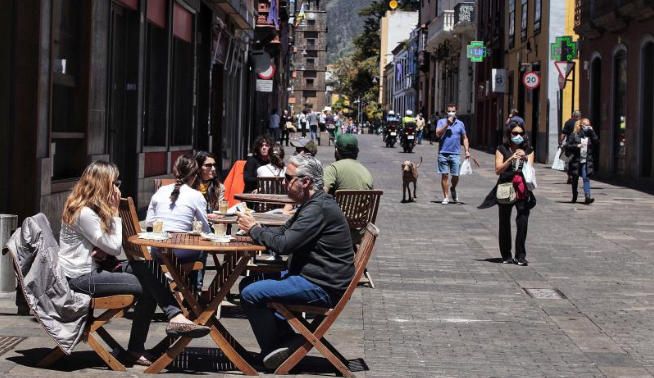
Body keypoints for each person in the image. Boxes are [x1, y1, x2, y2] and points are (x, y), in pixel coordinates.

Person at [60, 161, 209, 367]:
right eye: (114, 182)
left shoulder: (89, 208)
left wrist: (101, 245)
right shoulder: (84, 212)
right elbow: (113, 247)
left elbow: (106, 245)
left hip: (95, 268)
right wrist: (114, 212)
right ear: (101, 184)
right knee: (147, 286)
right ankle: (140, 345)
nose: (117, 187)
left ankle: (172, 318)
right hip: (80, 278)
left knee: (149, 267)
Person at [237, 154, 354, 370]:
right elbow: (283, 233)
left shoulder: (317, 208)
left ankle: (274, 349)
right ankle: (286, 343)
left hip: (321, 285)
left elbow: (283, 245)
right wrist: (255, 230)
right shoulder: (311, 204)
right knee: (247, 284)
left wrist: (255, 229)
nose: (283, 182)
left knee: (250, 293)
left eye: (288, 178)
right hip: (312, 276)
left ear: (306, 181)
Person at [479, 121, 536, 266]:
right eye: (515, 133)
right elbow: (498, 170)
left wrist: (524, 158)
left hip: (522, 188)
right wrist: (510, 159)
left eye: (521, 133)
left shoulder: (529, 150)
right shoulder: (501, 149)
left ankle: (520, 256)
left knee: (522, 221)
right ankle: (506, 255)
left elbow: (529, 171)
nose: (518, 136)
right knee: (504, 222)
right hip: (505, 187)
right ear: (509, 135)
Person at [435, 104, 470, 204]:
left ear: (456, 112)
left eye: (453, 111)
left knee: (455, 175)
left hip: (455, 153)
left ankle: (453, 188)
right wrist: (447, 125)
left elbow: (465, 138)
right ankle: (446, 197)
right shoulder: (441, 122)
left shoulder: (460, 124)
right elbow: (437, 134)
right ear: (446, 112)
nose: (451, 113)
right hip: (443, 153)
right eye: (449, 111)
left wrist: (467, 151)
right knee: (444, 175)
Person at [565, 118, 599, 204]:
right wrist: (577, 146)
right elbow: (568, 145)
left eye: (588, 125)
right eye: (585, 125)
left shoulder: (590, 135)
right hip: (576, 160)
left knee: (586, 178)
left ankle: (587, 196)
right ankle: (574, 195)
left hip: (586, 160)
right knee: (575, 179)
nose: (587, 127)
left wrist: (592, 131)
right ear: (581, 125)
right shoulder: (574, 134)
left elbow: (596, 142)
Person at [194, 151, 225, 217]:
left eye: (214, 165)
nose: (213, 169)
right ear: (198, 168)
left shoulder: (219, 187)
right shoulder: (190, 187)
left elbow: (220, 212)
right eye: (208, 165)